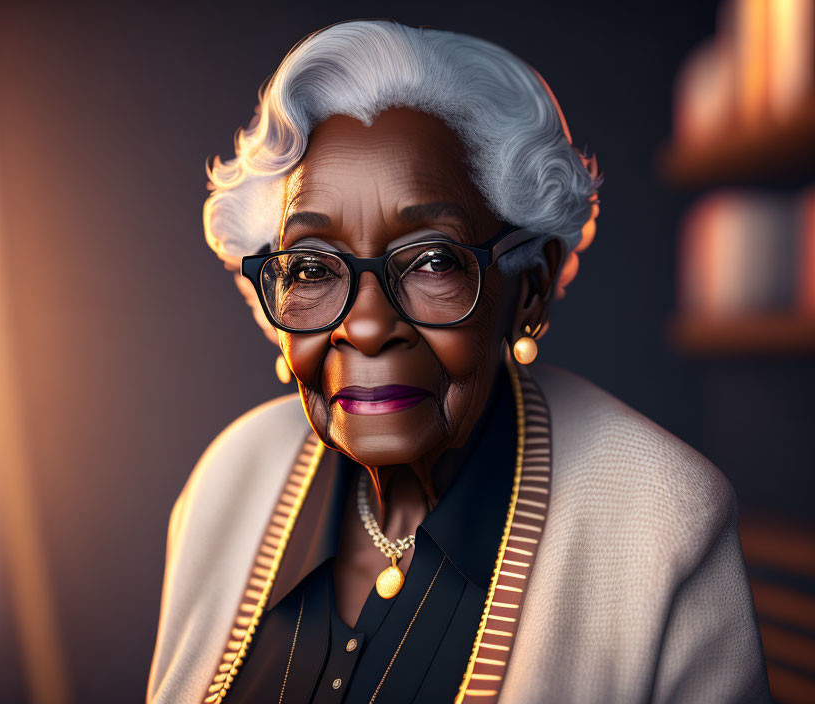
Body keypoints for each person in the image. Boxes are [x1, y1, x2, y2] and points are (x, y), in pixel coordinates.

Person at [146, 19, 771, 704]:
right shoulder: (226, 483)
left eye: (433, 261)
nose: (366, 326)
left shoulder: (663, 525)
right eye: (311, 267)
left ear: (528, 290)